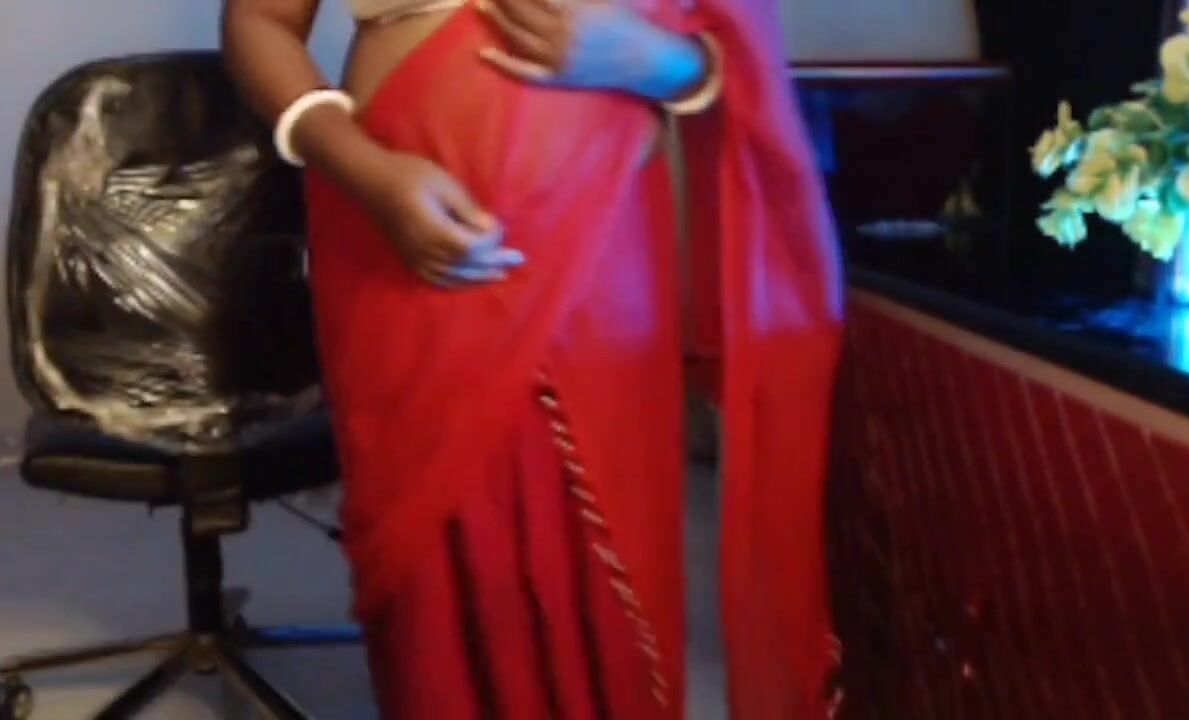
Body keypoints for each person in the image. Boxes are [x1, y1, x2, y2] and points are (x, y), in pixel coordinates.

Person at [221, 0, 844, 715]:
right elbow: (258, 23)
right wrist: (365, 171)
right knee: (441, 582)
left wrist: (655, 62)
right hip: (400, 256)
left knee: (598, 571)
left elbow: (736, 59)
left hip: (600, 267)